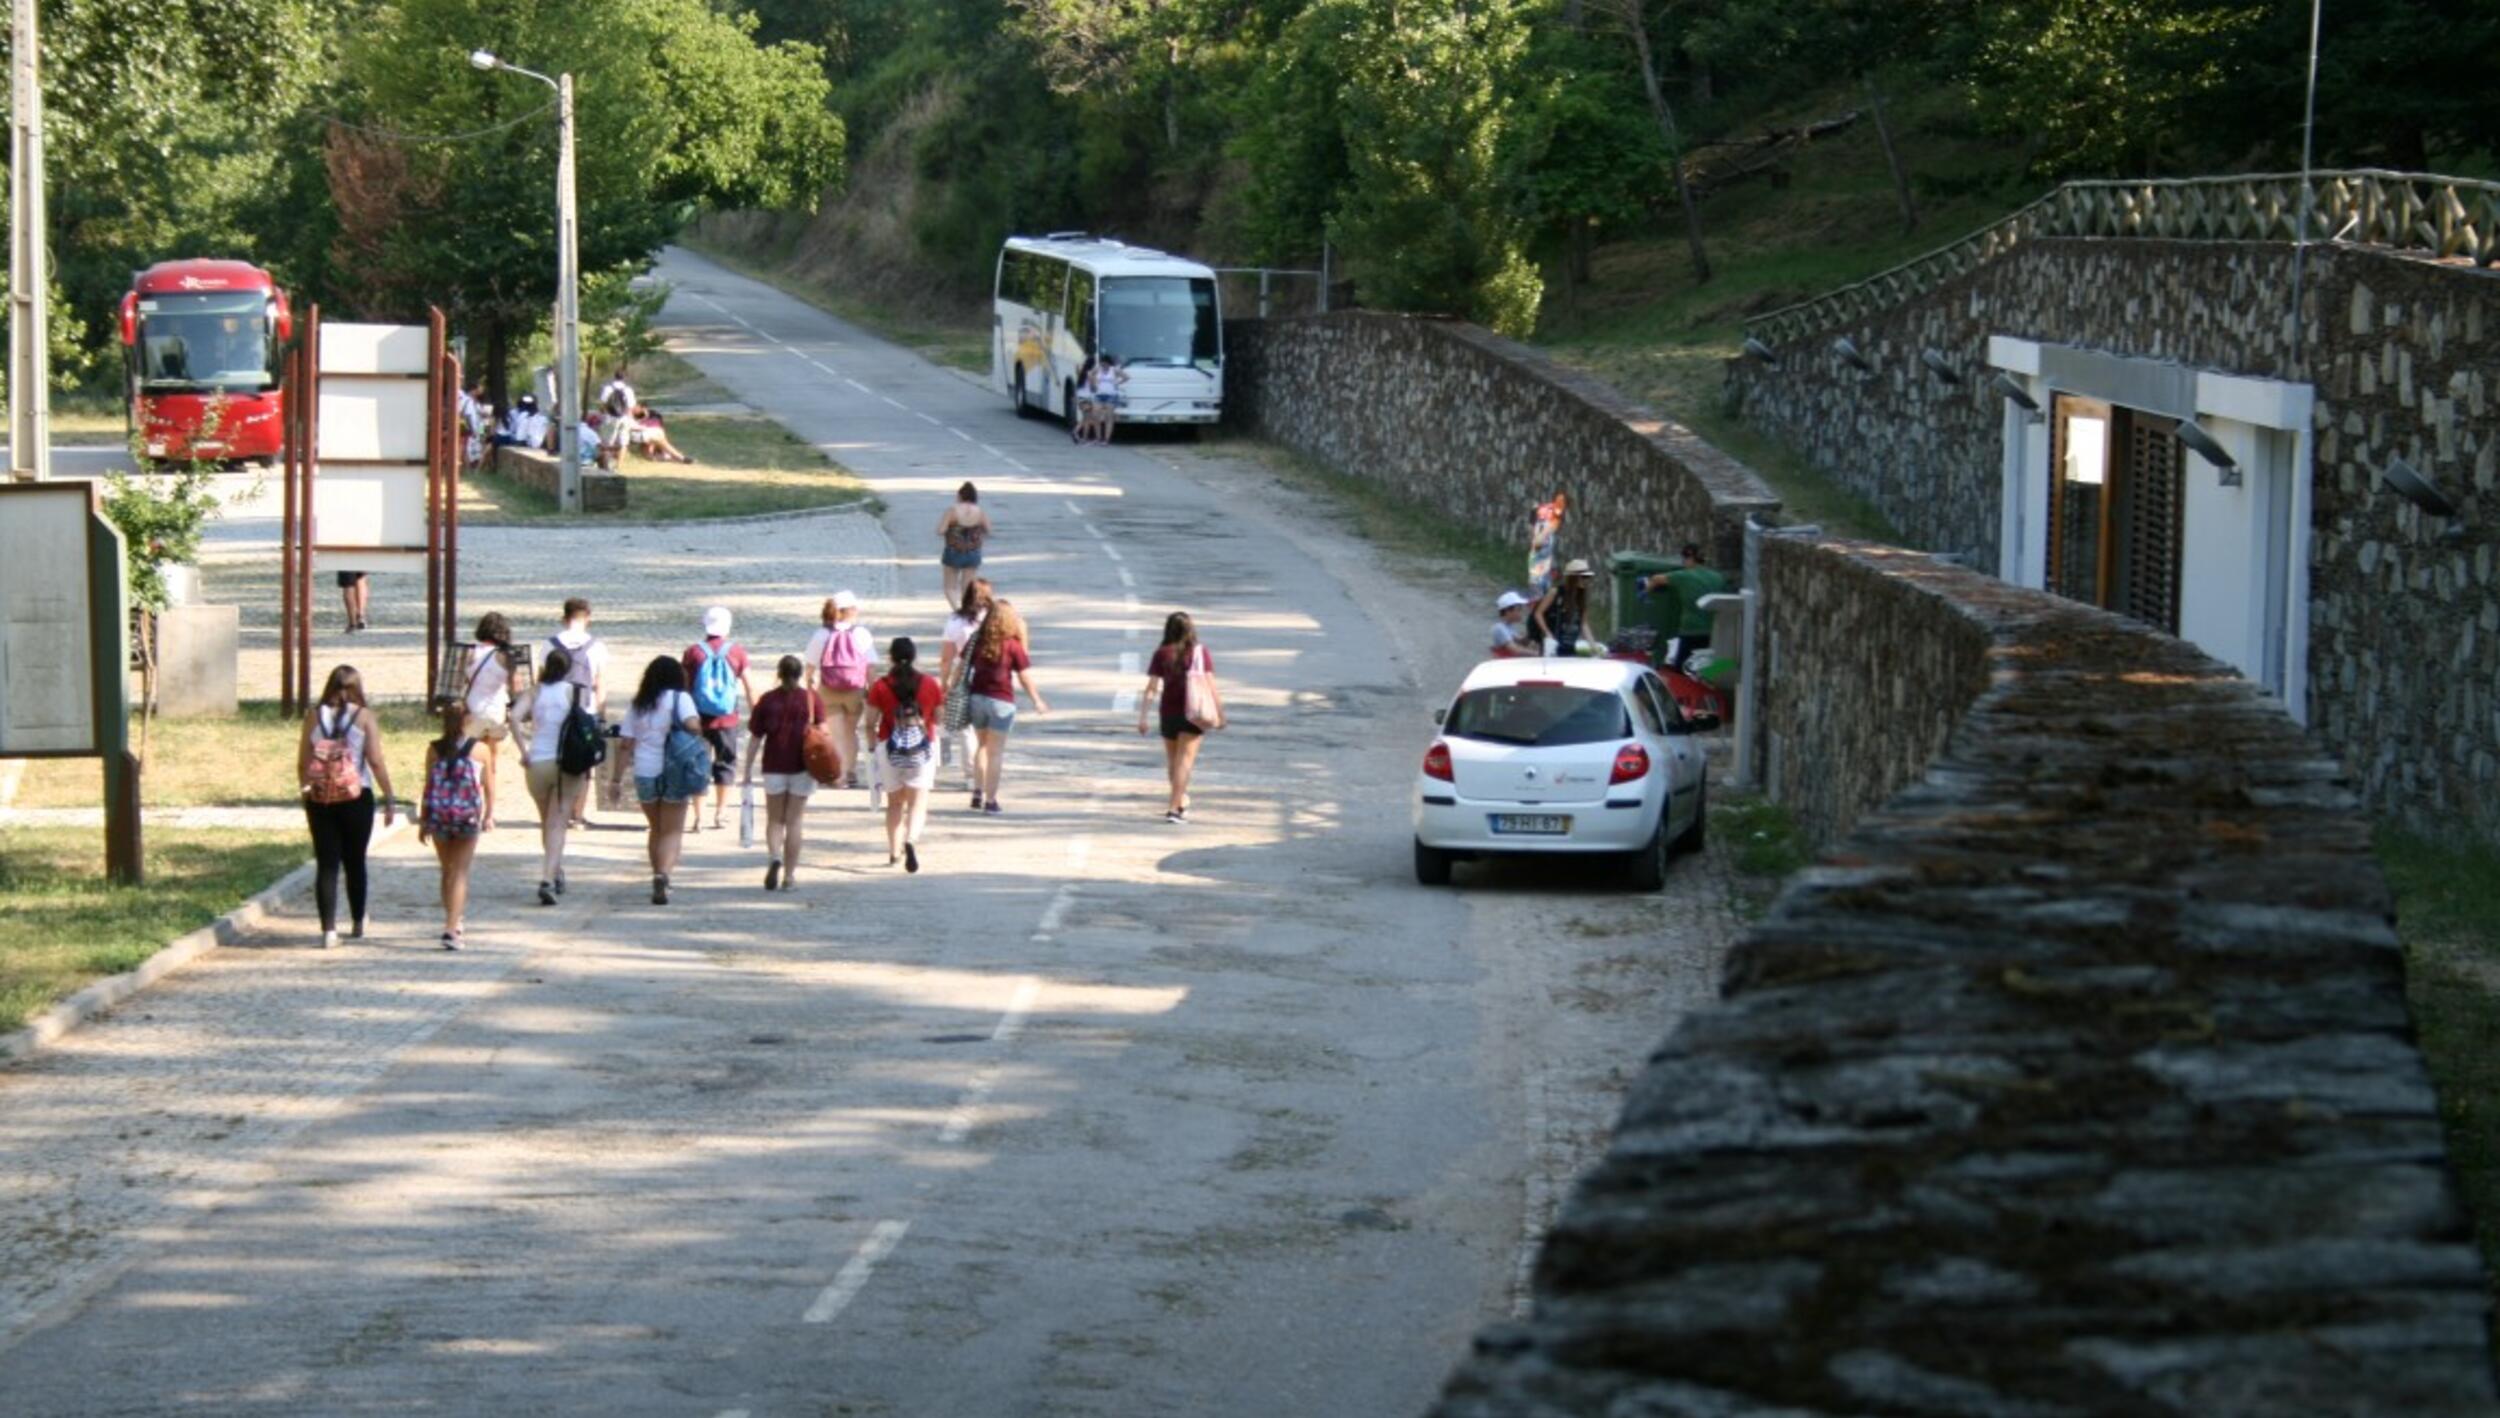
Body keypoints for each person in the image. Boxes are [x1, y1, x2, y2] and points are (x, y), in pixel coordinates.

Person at [298, 665, 398, 949]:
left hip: (320, 798)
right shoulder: (364, 717)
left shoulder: (313, 717)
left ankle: (328, 929)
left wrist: (307, 790)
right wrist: (389, 795)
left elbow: (303, 761)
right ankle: (357, 921)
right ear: (357, 688)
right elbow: (375, 760)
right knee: (355, 860)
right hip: (357, 794)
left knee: (327, 864)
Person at [624, 655, 706, 905]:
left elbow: (626, 743)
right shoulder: (681, 699)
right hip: (674, 770)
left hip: (645, 771)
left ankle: (656, 873)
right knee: (672, 831)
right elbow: (693, 725)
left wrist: (616, 780)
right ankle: (664, 875)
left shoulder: (638, 704)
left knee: (656, 829)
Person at [744, 654, 827, 891]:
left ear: (778, 674)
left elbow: (755, 739)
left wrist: (747, 770)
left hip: (773, 766)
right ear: (800, 674)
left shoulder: (767, 701)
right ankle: (789, 877)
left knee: (774, 820)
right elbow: (824, 733)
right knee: (794, 822)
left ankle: (774, 857)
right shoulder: (811, 700)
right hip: (803, 766)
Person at [520, 644, 595, 907]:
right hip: (566, 762)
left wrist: (523, 749)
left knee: (546, 822)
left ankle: (555, 871)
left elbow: (514, 718)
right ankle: (548, 877)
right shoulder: (572, 692)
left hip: (537, 760)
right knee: (558, 822)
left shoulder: (535, 691)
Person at [417, 702, 490, 951]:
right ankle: (452, 928)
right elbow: (488, 785)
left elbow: (428, 787)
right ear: (467, 719)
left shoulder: (434, 749)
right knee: (460, 872)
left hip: (439, 816)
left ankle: (452, 918)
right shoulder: (480, 750)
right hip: (467, 817)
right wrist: (489, 815)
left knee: (447, 869)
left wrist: (424, 819)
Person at [1138, 612, 1224, 824]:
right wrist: (1220, 713)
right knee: (1184, 762)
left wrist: (1143, 717)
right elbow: (1211, 685)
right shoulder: (1199, 653)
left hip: (1168, 713)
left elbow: (1151, 689)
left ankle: (1180, 800)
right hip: (1194, 713)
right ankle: (1174, 808)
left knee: (1173, 761)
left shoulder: (1161, 653)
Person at [964, 599, 1048, 814]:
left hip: (976, 699)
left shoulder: (976, 640)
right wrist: (1037, 700)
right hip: (1001, 702)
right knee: (995, 753)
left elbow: (962, 666)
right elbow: (1024, 677)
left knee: (981, 746)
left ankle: (977, 791)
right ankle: (991, 801)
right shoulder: (1012, 645)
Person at [868, 637, 944, 871]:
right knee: (917, 802)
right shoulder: (930, 684)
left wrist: (873, 748)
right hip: (922, 747)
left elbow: (869, 722)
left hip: (889, 747)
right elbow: (939, 717)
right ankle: (910, 840)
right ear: (914, 657)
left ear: (890, 657)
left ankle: (893, 853)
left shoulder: (880, 686)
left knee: (894, 803)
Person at [683, 606, 755, 832]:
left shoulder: (693, 652)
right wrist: (758, 715)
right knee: (726, 764)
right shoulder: (737, 652)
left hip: (697, 720)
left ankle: (698, 816)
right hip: (727, 718)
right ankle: (721, 812)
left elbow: (684, 687)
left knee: (698, 766)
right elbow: (750, 687)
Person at [804, 590, 877, 789]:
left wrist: (809, 687)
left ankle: (839, 775)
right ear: (851, 610)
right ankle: (851, 771)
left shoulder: (822, 634)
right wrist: (873, 690)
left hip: (828, 688)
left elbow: (810, 666)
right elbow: (870, 667)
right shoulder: (861, 633)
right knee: (850, 732)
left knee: (836, 733)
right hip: (855, 688)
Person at [547, 597, 609, 829]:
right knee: (584, 765)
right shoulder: (597, 646)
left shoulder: (550, 644)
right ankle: (578, 814)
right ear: (588, 619)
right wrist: (601, 714)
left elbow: (542, 679)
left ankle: (559, 809)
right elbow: (600, 683)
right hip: (586, 710)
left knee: (557, 761)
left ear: (564, 619)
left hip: (556, 710)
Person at [456, 612, 520, 814]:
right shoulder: (505, 657)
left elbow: (459, 683)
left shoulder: (469, 653)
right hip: (495, 712)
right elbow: (515, 686)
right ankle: (489, 815)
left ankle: (469, 806)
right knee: (491, 765)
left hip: (472, 711)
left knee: (470, 762)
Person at [937, 578, 993, 783]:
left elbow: (946, 658)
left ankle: (972, 774)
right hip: (993, 676)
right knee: (989, 727)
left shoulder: (955, 621)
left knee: (968, 727)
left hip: (965, 675)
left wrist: (943, 682)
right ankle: (988, 769)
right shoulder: (995, 618)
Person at [1642, 541, 1729, 671]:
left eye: (1684, 559)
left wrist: (1645, 592)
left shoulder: (1683, 576)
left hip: (1691, 631)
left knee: (1681, 669)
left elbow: (1656, 579)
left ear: (1689, 559)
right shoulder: (1718, 577)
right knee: (1708, 667)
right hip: (1713, 632)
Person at [937, 482, 992, 610]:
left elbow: (941, 530)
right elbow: (989, 529)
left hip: (953, 551)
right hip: (973, 552)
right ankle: (966, 612)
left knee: (949, 587)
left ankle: (957, 611)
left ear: (960, 495)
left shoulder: (952, 511)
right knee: (967, 588)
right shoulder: (980, 512)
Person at [1533, 559, 1596, 657]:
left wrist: (1593, 646)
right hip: (1553, 645)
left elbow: (1584, 624)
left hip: (1570, 646)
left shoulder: (1581, 598)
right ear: (1573, 578)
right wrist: (1548, 633)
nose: (1586, 580)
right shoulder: (1555, 592)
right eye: (1584, 577)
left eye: (1588, 577)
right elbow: (1538, 613)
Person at [1088, 354, 1129, 444]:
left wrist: (1117, 383)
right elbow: (1090, 374)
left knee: (1108, 417)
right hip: (1099, 395)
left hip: (1111, 396)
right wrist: (1093, 383)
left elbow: (1126, 377)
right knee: (1095, 415)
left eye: (1105, 363)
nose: (1103, 365)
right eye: (1102, 363)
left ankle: (1106, 439)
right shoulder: (1098, 369)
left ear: (1108, 363)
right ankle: (1098, 437)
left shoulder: (1114, 370)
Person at [1490, 590, 1536, 658]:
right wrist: (1538, 654)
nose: (1521, 612)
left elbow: (1522, 642)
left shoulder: (1509, 627)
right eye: (1519, 609)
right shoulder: (1499, 628)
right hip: (1502, 665)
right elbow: (1516, 650)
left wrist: (1534, 628)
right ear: (1508, 611)